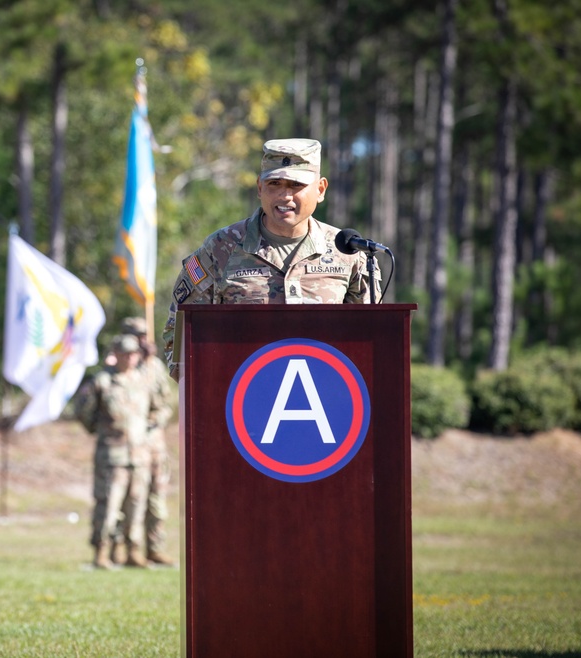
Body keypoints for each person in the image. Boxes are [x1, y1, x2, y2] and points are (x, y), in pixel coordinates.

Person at [163, 138, 381, 379]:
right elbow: (179, 338)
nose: (284, 195)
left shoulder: (347, 252)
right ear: (259, 188)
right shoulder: (220, 248)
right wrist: (209, 395)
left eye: (296, 185)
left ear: (320, 190)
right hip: (239, 403)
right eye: (274, 183)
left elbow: (372, 341)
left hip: (324, 402)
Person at [74, 334, 152, 569]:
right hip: (112, 456)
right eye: (125, 353)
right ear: (115, 354)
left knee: (136, 506)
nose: (130, 358)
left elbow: (159, 408)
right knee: (108, 505)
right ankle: (102, 551)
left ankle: (133, 551)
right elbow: (83, 410)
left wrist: (148, 429)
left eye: (133, 353)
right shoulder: (102, 381)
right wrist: (97, 429)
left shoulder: (143, 380)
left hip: (139, 456)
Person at [110, 317, 175, 566]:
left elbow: (165, 405)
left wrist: (154, 420)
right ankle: (120, 547)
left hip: (153, 444)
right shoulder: (117, 367)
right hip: (126, 445)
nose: (140, 340)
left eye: (143, 335)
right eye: (135, 335)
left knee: (156, 497)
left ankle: (155, 546)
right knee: (125, 498)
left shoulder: (154, 367)